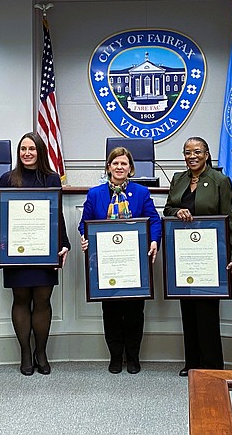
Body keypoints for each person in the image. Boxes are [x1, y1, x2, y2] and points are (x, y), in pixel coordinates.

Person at [0, 132, 71, 376]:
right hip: (16, 252)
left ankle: (41, 352)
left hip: (44, 252)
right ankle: (25, 352)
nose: (27, 153)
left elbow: (58, 215)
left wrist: (63, 243)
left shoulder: (51, 179)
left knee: (43, 301)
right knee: (21, 300)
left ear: (40, 152)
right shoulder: (7, 178)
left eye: (31, 149)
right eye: (23, 149)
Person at [78, 147, 161, 374]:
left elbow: (154, 221)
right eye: (115, 163)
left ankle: (133, 357)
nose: (119, 167)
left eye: (124, 164)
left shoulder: (141, 193)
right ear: (108, 167)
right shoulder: (95, 194)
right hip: (107, 265)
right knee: (111, 312)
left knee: (135, 312)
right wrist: (85, 238)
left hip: (135, 264)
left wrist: (154, 241)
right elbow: (84, 224)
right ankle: (115, 356)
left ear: (131, 168)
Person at [163, 137, 232, 376]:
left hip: (210, 255)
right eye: (187, 152)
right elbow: (167, 210)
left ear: (207, 154)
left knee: (207, 310)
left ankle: (213, 366)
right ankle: (192, 363)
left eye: (197, 151)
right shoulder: (178, 179)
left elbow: (228, 218)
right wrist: (178, 211)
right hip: (184, 255)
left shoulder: (220, 180)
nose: (192, 156)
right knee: (187, 309)